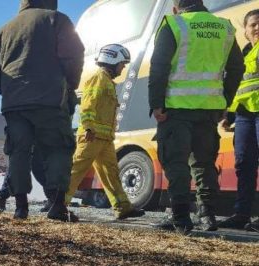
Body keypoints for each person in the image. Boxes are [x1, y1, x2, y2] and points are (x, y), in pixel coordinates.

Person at [149, 0, 244, 234]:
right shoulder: (224, 27)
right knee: (204, 164)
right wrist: (225, 102)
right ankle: (207, 215)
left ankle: (181, 218)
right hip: (209, 109)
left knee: (176, 163)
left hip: (176, 109)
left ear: (176, 8)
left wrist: (156, 104)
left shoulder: (174, 24)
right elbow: (236, 68)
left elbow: (158, 67)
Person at [0, 0, 84, 220]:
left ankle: (21, 208)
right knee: (57, 148)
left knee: (18, 152)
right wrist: (70, 84)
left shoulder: (3, 30)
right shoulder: (56, 19)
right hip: (49, 99)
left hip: (14, 104)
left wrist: (9, 92)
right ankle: (57, 205)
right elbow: (74, 55)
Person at [66, 44, 146, 220]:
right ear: (112, 60)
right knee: (76, 170)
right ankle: (58, 206)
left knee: (111, 172)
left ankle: (123, 207)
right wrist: (88, 126)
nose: (123, 68)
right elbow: (88, 105)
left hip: (104, 138)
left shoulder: (107, 81)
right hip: (92, 135)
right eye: (122, 64)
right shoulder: (98, 78)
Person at [218, 9, 259, 232]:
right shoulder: (243, 54)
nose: (256, 28)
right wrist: (230, 116)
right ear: (245, 30)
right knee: (244, 164)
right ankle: (242, 214)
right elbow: (241, 89)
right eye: (252, 24)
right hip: (244, 115)